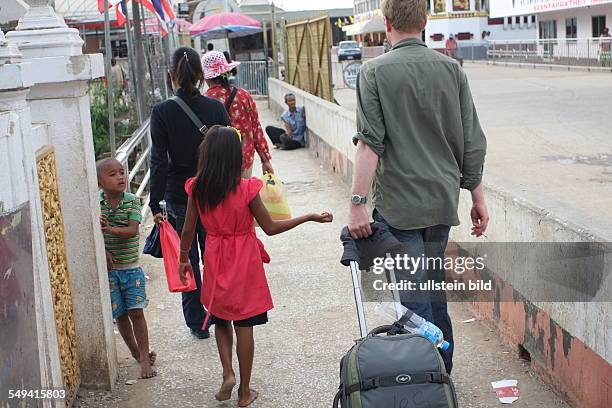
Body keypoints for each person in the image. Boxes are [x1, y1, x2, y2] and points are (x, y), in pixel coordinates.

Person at [347, 0, 488, 375]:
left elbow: (370, 145)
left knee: (412, 302)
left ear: (387, 23)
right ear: (425, 22)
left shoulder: (374, 72)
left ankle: (426, 382)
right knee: (432, 290)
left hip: (399, 207)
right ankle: (442, 374)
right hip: (441, 203)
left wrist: (357, 203)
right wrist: (476, 195)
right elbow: (472, 139)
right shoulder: (451, 70)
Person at [178, 126, 333, 406]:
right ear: (235, 158)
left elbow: (188, 230)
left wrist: (182, 259)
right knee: (245, 323)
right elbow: (271, 228)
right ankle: (244, 391)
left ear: (207, 156)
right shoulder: (246, 189)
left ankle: (227, 372)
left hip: (215, 256)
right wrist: (308, 217)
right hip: (245, 261)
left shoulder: (197, 189)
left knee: (220, 317)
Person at [150, 47, 231, 339]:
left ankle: (198, 323)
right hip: (214, 192)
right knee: (214, 254)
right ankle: (220, 310)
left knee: (188, 257)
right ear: (200, 75)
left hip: (178, 194)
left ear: (172, 75)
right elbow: (229, 151)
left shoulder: (162, 112)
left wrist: (154, 201)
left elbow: (158, 159)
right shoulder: (217, 109)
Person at [97, 158, 156, 379]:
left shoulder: (132, 201)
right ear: (100, 182)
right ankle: (137, 354)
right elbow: (95, 233)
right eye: (112, 174)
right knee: (121, 315)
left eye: (122, 172)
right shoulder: (97, 204)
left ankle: (144, 360)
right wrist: (103, 251)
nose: (120, 177)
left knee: (136, 313)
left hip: (131, 270)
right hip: (110, 272)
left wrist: (108, 228)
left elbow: (132, 231)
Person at [202, 51, 274, 177]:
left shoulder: (204, 100)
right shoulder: (243, 96)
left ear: (206, 77)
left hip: (217, 165)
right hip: (244, 160)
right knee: (243, 195)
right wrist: (265, 160)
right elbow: (256, 128)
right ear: (226, 72)